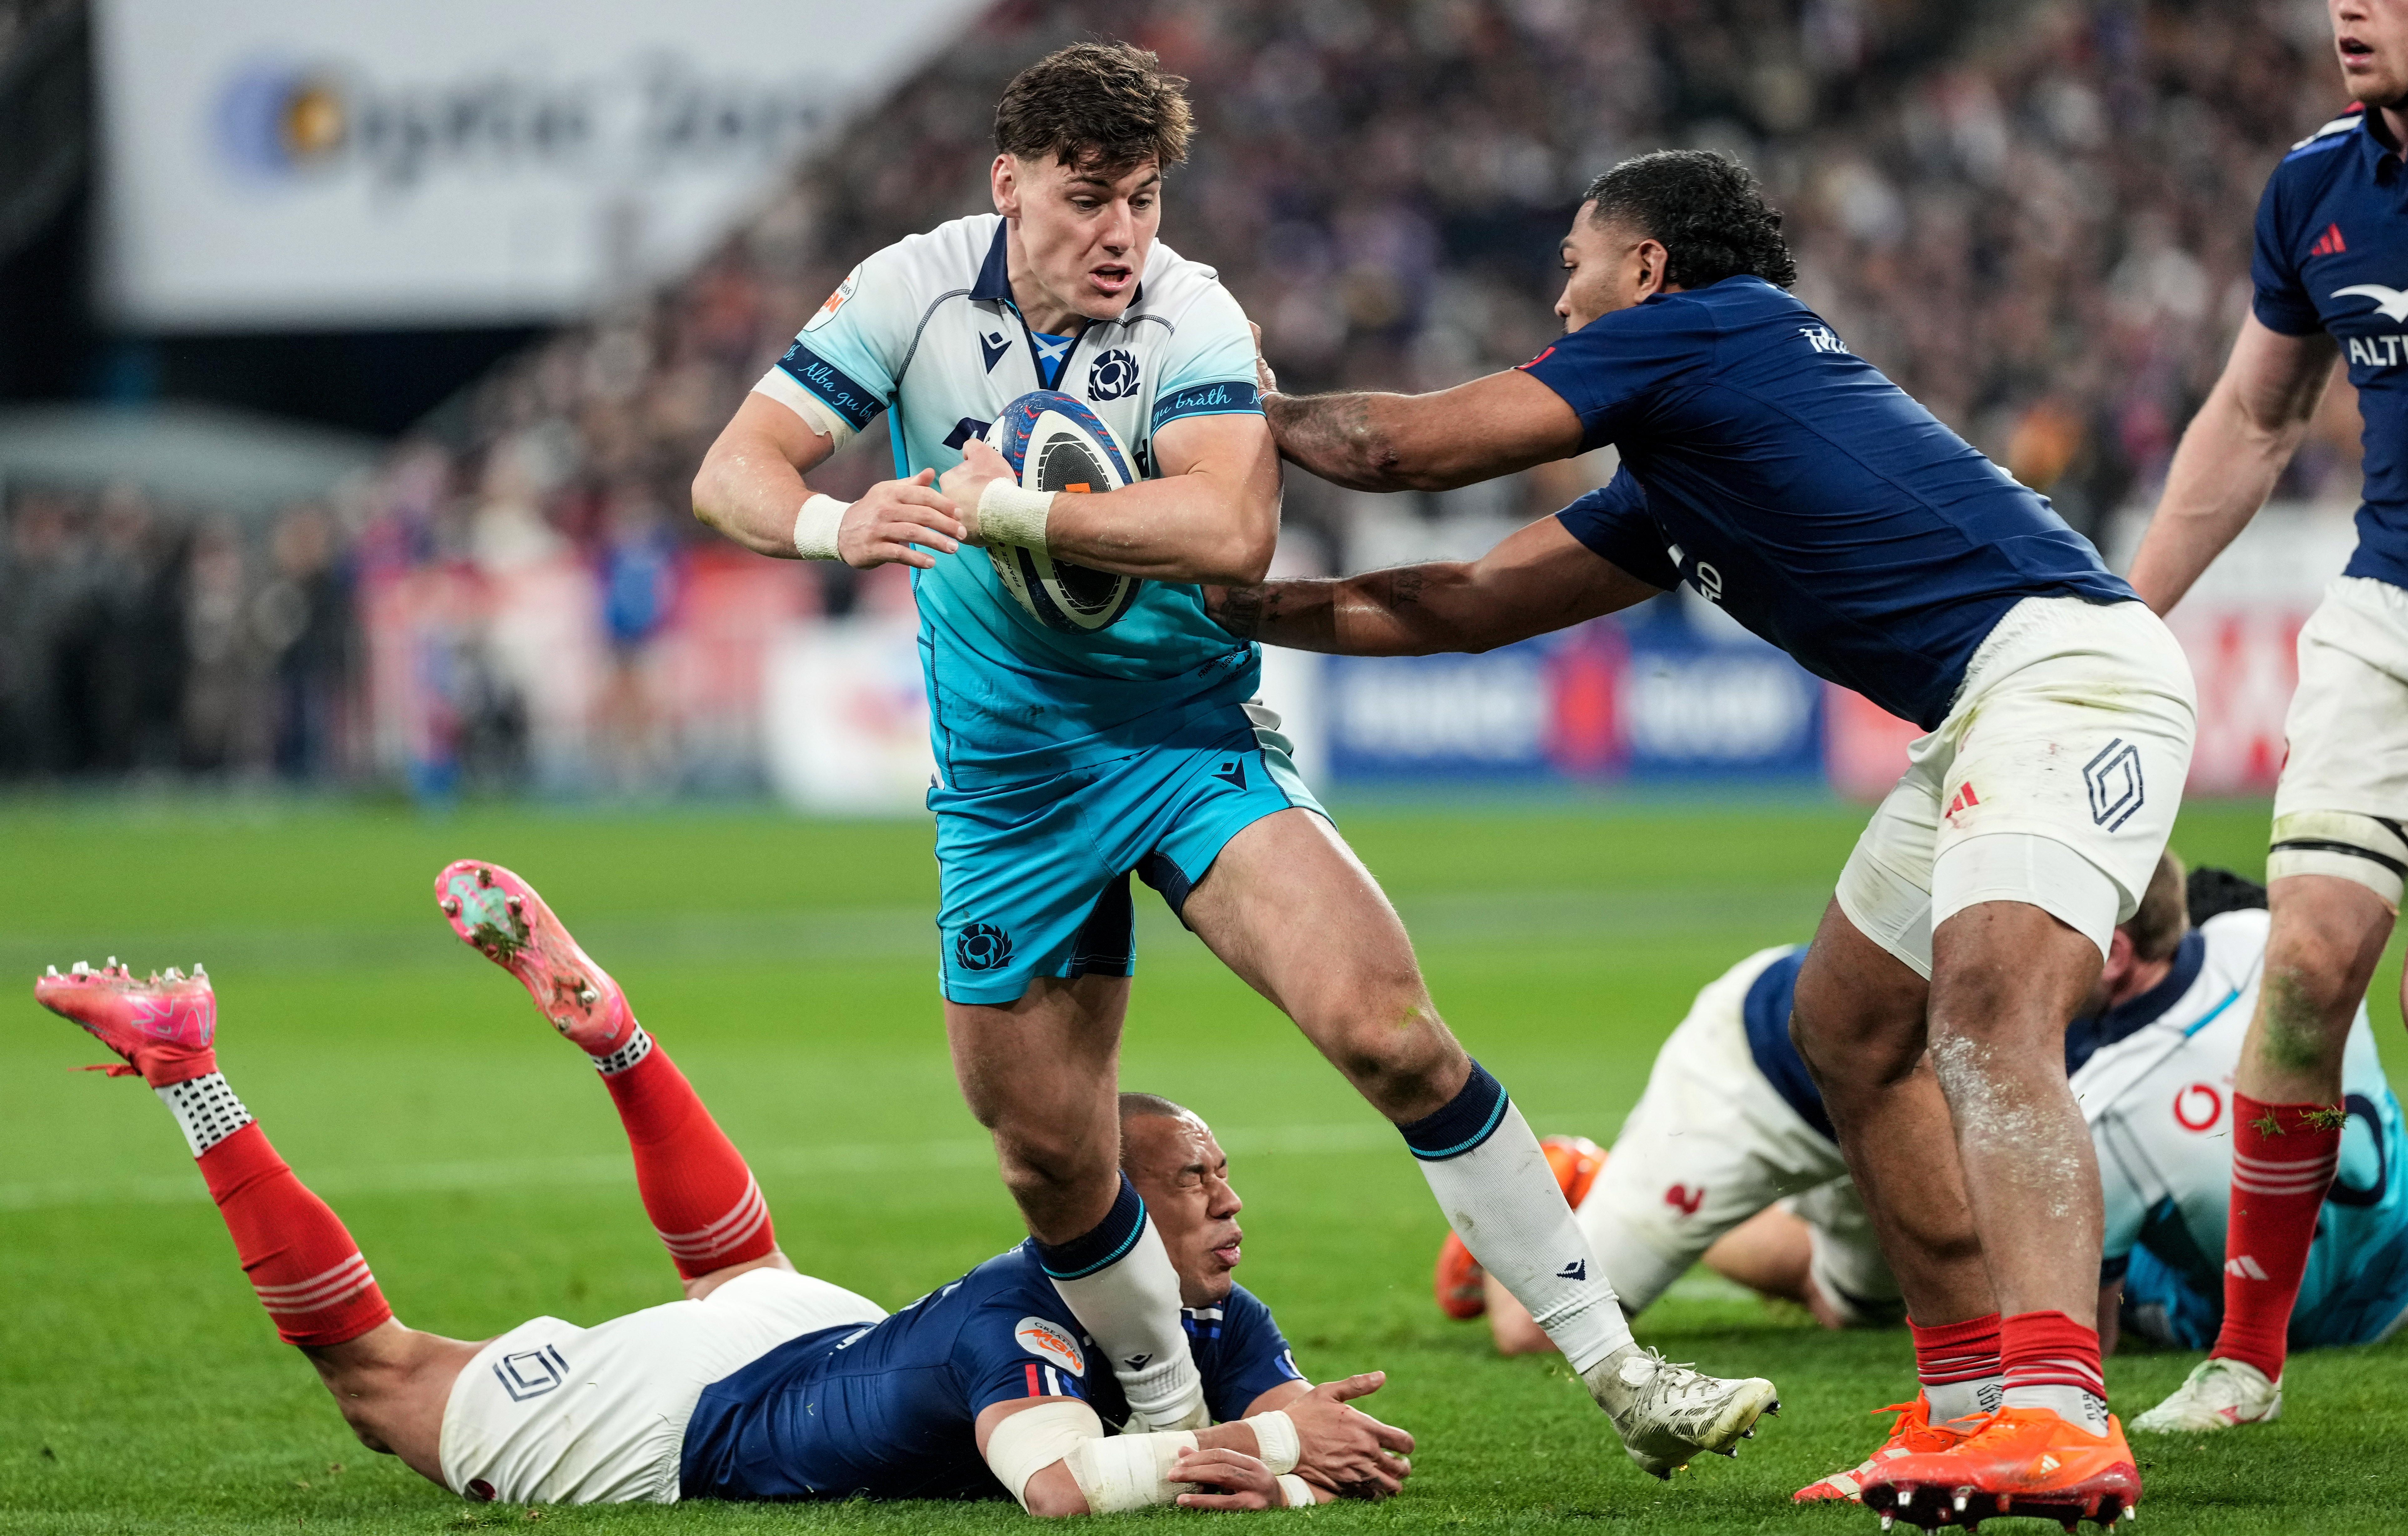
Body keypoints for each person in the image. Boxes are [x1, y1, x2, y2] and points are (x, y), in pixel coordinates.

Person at [687, 41, 1772, 1474]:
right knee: (1049, 1158)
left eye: (1141, 199)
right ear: (1008, 187)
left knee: (1386, 1026)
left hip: (1183, 735)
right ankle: (1164, 1420)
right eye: (1086, 200)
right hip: (1009, 787)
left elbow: (1226, 534)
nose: (1120, 235)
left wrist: (1009, 511)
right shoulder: (911, 288)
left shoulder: (1191, 314)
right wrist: (842, 524)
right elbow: (735, 470)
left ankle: (1621, 1371)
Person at [1209, 148, 2198, 1527]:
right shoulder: (1690, 452)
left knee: (1983, 1021)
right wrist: (1225, 607)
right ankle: (1974, 1409)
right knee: (1848, 1030)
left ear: (1649, 270)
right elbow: (1460, 604)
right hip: (1983, 706)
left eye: (1574, 263)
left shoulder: (1709, 331)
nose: (1558, 299)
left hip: (2064, 676)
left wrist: (1211, 412)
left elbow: (1394, 449)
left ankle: (2059, 1415)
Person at [22, 859, 1417, 1513]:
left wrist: (1291, 1423)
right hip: (696, 1416)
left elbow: (1264, 1399)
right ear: (1116, 1195)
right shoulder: (1027, 1323)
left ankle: (624, 1044)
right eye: (1198, 1179)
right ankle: (188, 1070)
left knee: (740, 1267)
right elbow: (1058, 1489)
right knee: (379, 1381)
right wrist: (1274, 1458)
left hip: (810, 1327)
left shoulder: (1209, 1307)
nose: (1230, 1205)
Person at [1439, 859, 2408, 1497]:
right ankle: (1584, 1178)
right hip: (1767, 1079)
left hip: (1908, 1112)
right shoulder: (2202, 947)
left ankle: (1726, 1214)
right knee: (1528, 1328)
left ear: (2115, 952)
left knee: (1848, 1298)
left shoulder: (2104, 1039)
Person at [2119, 0, 2408, 1435]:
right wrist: (2111, 615)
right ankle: (2243, 1358)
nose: (2349, 11)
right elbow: (2251, 418)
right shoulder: (2315, 187)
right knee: (2302, 971)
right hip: (2383, 613)